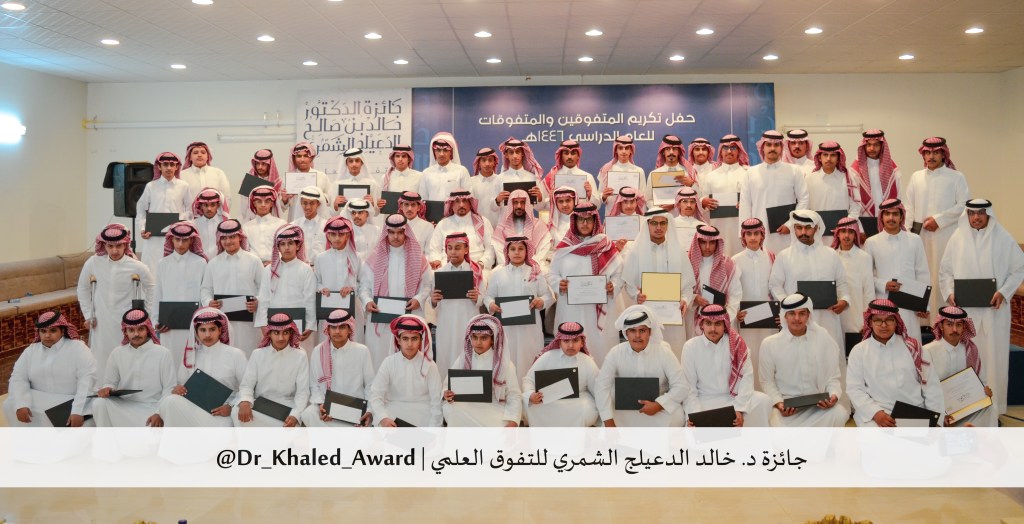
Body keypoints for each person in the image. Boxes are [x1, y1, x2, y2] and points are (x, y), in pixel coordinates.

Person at [939, 199, 1024, 414]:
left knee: (994, 362)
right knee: (967, 360)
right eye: (972, 213)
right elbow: (945, 272)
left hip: (994, 313)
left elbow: (1019, 269)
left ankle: (994, 412)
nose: (976, 217)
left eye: (981, 213)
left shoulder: (1003, 238)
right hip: (965, 315)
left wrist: (1003, 292)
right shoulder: (957, 238)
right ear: (967, 215)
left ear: (989, 215)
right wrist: (950, 293)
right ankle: (966, 411)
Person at [846, 299, 944, 427]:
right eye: (878, 320)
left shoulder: (914, 348)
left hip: (915, 411)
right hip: (878, 414)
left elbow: (931, 386)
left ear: (896, 321)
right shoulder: (859, 351)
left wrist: (936, 421)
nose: (884, 325)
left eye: (889, 320)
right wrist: (876, 413)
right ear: (870, 322)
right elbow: (854, 389)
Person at [547, 201, 623, 366]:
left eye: (589, 219)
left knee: (600, 345)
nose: (585, 223)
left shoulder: (606, 245)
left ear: (595, 221)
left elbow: (619, 273)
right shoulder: (564, 248)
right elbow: (551, 273)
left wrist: (613, 286)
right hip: (571, 308)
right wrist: (559, 284)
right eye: (581, 219)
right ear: (575, 221)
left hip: (599, 308)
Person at [758, 293, 849, 427]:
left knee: (839, 413)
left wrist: (833, 395)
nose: (797, 318)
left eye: (802, 313)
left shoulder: (823, 338)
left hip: (817, 406)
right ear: (784, 316)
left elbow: (832, 378)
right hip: (787, 407)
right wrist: (779, 403)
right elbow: (767, 381)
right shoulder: (770, 344)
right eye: (791, 313)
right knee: (773, 422)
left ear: (808, 315)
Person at [768, 210, 850, 355]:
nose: (803, 232)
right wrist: (789, 306)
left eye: (808, 228)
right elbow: (775, 285)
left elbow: (842, 283)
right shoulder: (784, 256)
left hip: (827, 317)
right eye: (799, 228)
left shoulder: (831, 255)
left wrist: (844, 300)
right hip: (797, 320)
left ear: (816, 228)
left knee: (828, 355)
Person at [77, 224, 154, 375]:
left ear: (125, 244)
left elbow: (152, 289)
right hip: (102, 320)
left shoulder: (137, 266)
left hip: (127, 322)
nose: (114, 251)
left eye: (118, 246)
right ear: (104, 245)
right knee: (101, 358)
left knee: (126, 358)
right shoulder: (93, 263)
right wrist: (88, 315)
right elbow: (83, 289)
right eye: (110, 246)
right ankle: (102, 386)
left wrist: (145, 315)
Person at [358, 214, 432, 370]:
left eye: (400, 232)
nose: (396, 236)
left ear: (406, 233)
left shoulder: (418, 257)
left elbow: (427, 285)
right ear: (386, 233)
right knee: (379, 359)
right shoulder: (374, 258)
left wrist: (419, 299)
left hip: (408, 316)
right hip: (380, 318)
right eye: (391, 232)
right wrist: (367, 301)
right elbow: (364, 286)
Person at [904, 137, 970, 313]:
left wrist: (939, 220)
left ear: (943, 154)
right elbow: (909, 206)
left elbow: (964, 205)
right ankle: (922, 319)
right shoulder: (916, 177)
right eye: (927, 152)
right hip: (919, 237)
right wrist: (907, 233)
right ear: (923, 155)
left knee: (942, 274)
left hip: (945, 235)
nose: (931, 156)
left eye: (936, 152)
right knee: (920, 274)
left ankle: (943, 317)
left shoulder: (956, 177)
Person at [595, 305, 688, 427]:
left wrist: (659, 405)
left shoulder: (663, 352)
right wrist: (608, 421)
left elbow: (681, 385)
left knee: (676, 417)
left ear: (650, 332)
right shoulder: (615, 353)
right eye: (632, 331)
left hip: (657, 407)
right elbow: (601, 386)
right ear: (626, 333)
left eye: (642, 330)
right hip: (623, 410)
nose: (637, 336)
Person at [680, 304, 771, 427]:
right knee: (694, 425)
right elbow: (689, 388)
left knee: (763, 401)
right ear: (702, 324)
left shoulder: (737, 344)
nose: (713, 329)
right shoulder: (691, 347)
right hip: (704, 401)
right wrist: (693, 415)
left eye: (718, 323)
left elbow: (747, 379)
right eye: (708, 323)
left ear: (725, 324)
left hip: (733, 398)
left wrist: (739, 409)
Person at [622, 209, 695, 357]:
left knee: (674, 354)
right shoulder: (635, 251)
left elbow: (688, 286)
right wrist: (636, 295)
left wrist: (685, 300)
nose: (659, 227)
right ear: (647, 225)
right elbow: (628, 283)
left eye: (663, 223)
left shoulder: (678, 251)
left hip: (673, 316)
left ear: (668, 225)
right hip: (646, 315)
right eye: (654, 223)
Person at [3, 311, 96, 427]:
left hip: (70, 401)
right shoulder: (31, 351)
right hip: (41, 400)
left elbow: (87, 380)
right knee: (10, 403)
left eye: (53, 331)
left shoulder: (78, 348)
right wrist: (22, 404)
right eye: (43, 331)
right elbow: (18, 377)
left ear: (62, 331)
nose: (47, 335)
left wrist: (78, 410)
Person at [158, 308, 246, 427]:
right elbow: (180, 384)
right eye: (203, 330)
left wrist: (231, 406)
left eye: (212, 329)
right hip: (193, 410)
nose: (207, 335)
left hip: (221, 414)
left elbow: (247, 387)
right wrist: (177, 390)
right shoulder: (190, 356)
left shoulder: (236, 355)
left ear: (220, 330)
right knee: (170, 401)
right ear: (196, 332)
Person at [484, 236, 555, 382]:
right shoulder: (498, 274)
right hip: (506, 328)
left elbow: (549, 295)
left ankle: (529, 390)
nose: (517, 252)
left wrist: (541, 301)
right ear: (507, 252)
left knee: (529, 359)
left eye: (521, 249)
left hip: (529, 329)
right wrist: (491, 304)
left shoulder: (535, 273)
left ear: (527, 251)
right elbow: (488, 296)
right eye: (513, 249)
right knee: (507, 360)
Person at [92, 308, 176, 427]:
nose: (136, 334)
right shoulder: (117, 353)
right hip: (124, 405)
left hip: (152, 406)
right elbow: (110, 382)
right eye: (131, 330)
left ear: (147, 329)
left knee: (150, 428)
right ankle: (105, 437)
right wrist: (107, 389)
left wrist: (159, 412)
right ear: (125, 331)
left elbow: (169, 389)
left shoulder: (163, 353)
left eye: (141, 329)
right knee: (99, 403)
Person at [863, 199, 930, 344]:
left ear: (901, 217)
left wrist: (924, 305)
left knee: (910, 343)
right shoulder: (871, 242)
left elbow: (922, 273)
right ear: (881, 217)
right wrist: (883, 284)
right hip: (883, 302)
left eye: (895, 214)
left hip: (910, 305)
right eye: (887, 214)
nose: (891, 218)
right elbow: (866, 277)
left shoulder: (915, 240)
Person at [442, 314, 522, 427]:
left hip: (494, 407)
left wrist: (513, 421)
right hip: (467, 406)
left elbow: (514, 395)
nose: (478, 342)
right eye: (474, 337)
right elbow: (447, 385)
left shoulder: (504, 364)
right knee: (452, 409)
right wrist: (446, 393)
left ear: (492, 340)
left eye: (484, 338)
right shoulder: (463, 359)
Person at [924, 306, 998, 427]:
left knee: (990, 409)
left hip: (965, 409)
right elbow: (926, 390)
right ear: (941, 326)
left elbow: (982, 381)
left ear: (964, 327)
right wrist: (941, 415)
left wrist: (985, 391)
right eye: (949, 324)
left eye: (959, 325)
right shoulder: (928, 351)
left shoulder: (970, 349)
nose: (954, 329)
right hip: (938, 408)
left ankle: (968, 434)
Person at [233, 313, 310, 427]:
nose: (281, 338)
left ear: (290, 333)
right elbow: (246, 385)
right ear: (269, 333)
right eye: (276, 333)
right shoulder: (258, 354)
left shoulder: (300, 355)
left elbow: (302, 392)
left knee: (291, 427)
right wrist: (245, 401)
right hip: (260, 404)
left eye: (285, 333)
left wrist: (295, 414)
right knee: (237, 411)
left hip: (287, 405)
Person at [199, 219, 263, 357]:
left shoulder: (254, 261)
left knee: (248, 355)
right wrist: (209, 302)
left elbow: (264, 288)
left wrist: (257, 301)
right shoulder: (213, 263)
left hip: (248, 324)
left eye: (232, 237)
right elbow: (206, 289)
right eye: (224, 238)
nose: (228, 241)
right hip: (222, 322)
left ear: (240, 237)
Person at [301, 309, 375, 427]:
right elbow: (314, 385)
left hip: (354, 406)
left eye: (342, 327)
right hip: (328, 406)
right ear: (328, 329)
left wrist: (369, 410)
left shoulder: (362, 351)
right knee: (308, 414)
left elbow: (370, 385)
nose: (337, 331)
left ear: (349, 329)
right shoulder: (318, 351)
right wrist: (321, 404)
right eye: (333, 327)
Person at [739, 130, 809, 254]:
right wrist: (744, 233)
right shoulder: (750, 173)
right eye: (769, 145)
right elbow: (745, 204)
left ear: (782, 147)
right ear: (762, 147)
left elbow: (804, 199)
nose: (772, 148)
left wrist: (791, 224)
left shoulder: (794, 171)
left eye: (776, 145)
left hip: (786, 233)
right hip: (758, 234)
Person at [522, 321, 601, 427]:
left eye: (575, 340)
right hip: (549, 400)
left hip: (578, 401)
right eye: (566, 341)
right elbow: (529, 380)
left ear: (582, 342)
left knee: (586, 409)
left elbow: (598, 388)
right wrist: (531, 394)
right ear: (559, 342)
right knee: (532, 407)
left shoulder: (587, 361)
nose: (571, 345)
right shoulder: (547, 357)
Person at [369, 315, 443, 427]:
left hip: (423, 413)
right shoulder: (389, 362)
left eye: (414, 339)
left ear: (421, 340)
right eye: (405, 339)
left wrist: (433, 429)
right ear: (398, 340)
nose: (409, 344)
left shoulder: (430, 365)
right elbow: (376, 395)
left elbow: (436, 401)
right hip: (393, 412)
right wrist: (383, 418)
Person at [731, 218, 778, 389]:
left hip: (769, 319)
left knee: (768, 357)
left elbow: (777, 287)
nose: (752, 238)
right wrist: (736, 312)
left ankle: (770, 394)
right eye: (749, 234)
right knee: (749, 357)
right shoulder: (735, 260)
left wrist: (780, 312)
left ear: (762, 235)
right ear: (743, 236)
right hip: (746, 319)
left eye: (756, 233)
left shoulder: (772, 257)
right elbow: (732, 291)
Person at [153, 221, 208, 366]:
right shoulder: (163, 263)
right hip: (168, 326)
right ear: (171, 239)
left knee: (193, 360)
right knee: (170, 361)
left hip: (194, 324)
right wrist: (156, 321)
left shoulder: (201, 263)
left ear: (191, 240)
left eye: (185, 240)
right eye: (177, 239)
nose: (180, 244)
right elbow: (158, 294)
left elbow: (204, 293)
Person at [431, 232, 486, 376]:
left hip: (467, 321)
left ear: (466, 249)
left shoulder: (475, 272)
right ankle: (446, 387)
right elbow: (432, 303)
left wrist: (477, 298)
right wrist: (433, 300)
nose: (453, 252)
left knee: (468, 356)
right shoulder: (439, 272)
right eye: (449, 248)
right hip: (446, 324)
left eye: (457, 248)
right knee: (446, 357)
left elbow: (484, 297)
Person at [255, 224, 316, 352]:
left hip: (300, 325)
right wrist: (263, 324)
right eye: (282, 244)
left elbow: (310, 300)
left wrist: (310, 325)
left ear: (298, 245)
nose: (287, 248)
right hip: (274, 326)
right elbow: (264, 299)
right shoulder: (269, 270)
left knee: (300, 356)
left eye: (290, 243)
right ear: (277, 247)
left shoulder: (306, 270)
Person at [136, 151, 192, 276]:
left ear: (177, 167)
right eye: (165, 164)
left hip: (176, 237)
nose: (169, 168)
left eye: (172, 164)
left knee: (174, 271)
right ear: (159, 167)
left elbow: (190, 211)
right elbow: (140, 209)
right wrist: (143, 228)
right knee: (152, 271)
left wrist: (179, 221)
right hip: (153, 237)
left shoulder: (184, 186)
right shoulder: (151, 186)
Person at [686, 225, 742, 339]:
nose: (707, 247)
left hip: (722, 321)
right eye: (703, 242)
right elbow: (680, 290)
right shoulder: (687, 263)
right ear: (697, 242)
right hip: (693, 318)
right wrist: (693, 298)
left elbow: (735, 294)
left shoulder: (728, 264)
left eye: (712, 243)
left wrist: (723, 318)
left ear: (717, 243)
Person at [314, 216, 364, 342]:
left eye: (341, 234)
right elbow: (316, 281)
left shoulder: (357, 257)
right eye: (333, 234)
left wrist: (352, 289)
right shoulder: (320, 258)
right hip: (327, 306)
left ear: (347, 235)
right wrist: (321, 288)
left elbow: (363, 282)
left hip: (352, 307)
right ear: (328, 236)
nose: (337, 238)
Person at [698, 135, 748, 257]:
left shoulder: (748, 173)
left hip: (741, 228)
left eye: (733, 148)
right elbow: (702, 199)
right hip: (718, 227)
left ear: (739, 151)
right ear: (721, 151)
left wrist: (746, 203)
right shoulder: (711, 176)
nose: (729, 151)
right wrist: (703, 201)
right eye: (725, 148)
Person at [805, 141, 862, 245]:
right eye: (825, 155)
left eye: (833, 155)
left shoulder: (848, 178)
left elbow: (855, 205)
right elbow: (805, 207)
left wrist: (846, 225)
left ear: (838, 158)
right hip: (817, 235)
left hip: (843, 236)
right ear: (819, 157)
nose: (828, 159)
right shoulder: (809, 179)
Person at [428, 189, 495, 274]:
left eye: (464, 201)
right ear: (451, 204)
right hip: (447, 267)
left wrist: (482, 263)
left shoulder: (483, 222)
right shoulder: (443, 224)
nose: (461, 205)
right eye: (457, 201)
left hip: (476, 266)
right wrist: (437, 261)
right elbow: (434, 249)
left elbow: (490, 248)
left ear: (470, 203)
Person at [832, 217, 876, 344]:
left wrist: (868, 320)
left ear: (855, 234)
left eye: (850, 232)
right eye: (843, 231)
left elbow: (868, 291)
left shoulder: (864, 257)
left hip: (856, 318)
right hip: (834, 315)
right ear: (837, 234)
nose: (846, 235)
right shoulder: (830, 255)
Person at [490, 189, 552, 270]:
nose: (519, 206)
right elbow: (499, 249)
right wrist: (511, 264)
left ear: (527, 204)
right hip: (508, 266)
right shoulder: (502, 226)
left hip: (533, 266)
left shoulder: (538, 225)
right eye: (515, 202)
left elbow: (544, 248)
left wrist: (531, 263)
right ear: (511, 205)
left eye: (522, 202)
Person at [850, 130, 901, 219]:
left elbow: (899, 196)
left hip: (887, 218)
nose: (872, 148)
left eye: (876, 145)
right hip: (863, 218)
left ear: (882, 146)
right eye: (869, 145)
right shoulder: (855, 170)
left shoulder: (893, 170)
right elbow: (852, 199)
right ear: (864, 146)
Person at [281, 141, 330, 222]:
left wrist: (319, 196)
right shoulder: (289, 179)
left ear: (311, 158)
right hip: (295, 219)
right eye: (299, 156)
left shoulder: (321, 176)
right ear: (294, 158)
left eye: (306, 156)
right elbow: (283, 207)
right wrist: (285, 199)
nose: (302, 159)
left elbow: (329, 199)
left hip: (317, 221)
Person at [498, 137, 548, 210]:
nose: (515, 156)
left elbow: (540, 208)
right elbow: (493, 208)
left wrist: (539, 197)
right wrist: (497, 200)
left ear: (522, 154)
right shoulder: (499, 179)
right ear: (506, 155)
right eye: (511, 152)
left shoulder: (532, 178)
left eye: (518, 152)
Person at [647, 134, 696, 209]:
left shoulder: (688, 172)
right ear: (663, 152)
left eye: (675, 149)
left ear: (679, 152)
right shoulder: (654, 174)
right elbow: (648, 200)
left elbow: (698, 198)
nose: (671, 152)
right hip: (661, 215)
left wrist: (691, 184)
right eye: (667, 149)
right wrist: (661, 209)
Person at [597, 135, 647, 208]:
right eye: (620, 148)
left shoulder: (639, 171)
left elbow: (643, 198)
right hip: (611, 213)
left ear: (631, 150)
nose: (624, 151)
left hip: (632, 213)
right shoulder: (606, 170)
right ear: (616, 150)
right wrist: (604, 196)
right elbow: (598, 198)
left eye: (627, 148)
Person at [420, 132, 471, 202]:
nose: (441, 154)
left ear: (451, 152)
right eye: (438, 150)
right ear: (434, 152)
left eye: (445, 150)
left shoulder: (461, 171)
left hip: (455, 209)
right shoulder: (426, 173)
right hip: (433, 209)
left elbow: (468, 197)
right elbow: (423, 199)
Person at [330, 147, 381, 218]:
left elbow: (376, 214)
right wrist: (335, 205)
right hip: (344, 223)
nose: (354, 164)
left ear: (362, 162)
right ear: (346, 163)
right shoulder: (336, 185)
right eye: (351, 161)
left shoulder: (372, 184)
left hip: (365, 224)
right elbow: (333, 214)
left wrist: (372, 204)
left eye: (357, 161)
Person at [241, 186, 286, 264]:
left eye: (267, 202)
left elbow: (285, 247)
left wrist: (274, 262)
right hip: (253, 266)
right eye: (259, 202)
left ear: (271, 203)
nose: (263, 205)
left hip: (277, 265)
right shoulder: (246, 227)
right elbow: (245, 250)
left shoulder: (281, 224)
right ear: (254, 203)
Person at [239, 149, 283, 221]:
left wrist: (284, 200)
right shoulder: (248, 181)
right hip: (251, 221)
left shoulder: (278, 182)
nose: (260, 167)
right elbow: (243, 208)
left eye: (263, 164)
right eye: (257, 164)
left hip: (272, 221)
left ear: (270, 165)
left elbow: (279, 208)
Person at [290, 186, 329, 262]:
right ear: (301, 203)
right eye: (305, 203)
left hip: (321, 267)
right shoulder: (293, 226)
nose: (308, 207)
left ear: (318, 204)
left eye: (312, 203)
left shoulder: (326, 226)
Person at [468, 146, 504, 226]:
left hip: (499, 227)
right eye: (484, 160)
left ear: (494, 162)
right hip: (478, 227)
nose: (487, 164)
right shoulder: (471, 181)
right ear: (479, 163)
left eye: (490, 160)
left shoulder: (501, 180)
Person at [378, 144, 423, 208]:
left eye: (403, 156)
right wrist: (379, 204)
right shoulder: (385, 178)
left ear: (409, 159)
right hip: (391, 214)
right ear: (393, 159)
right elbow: (380, 200)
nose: (400, 159)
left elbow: (422, 200)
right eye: (397, 156)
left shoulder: (419, 176)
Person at [191, 188, 230, 260]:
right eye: (206, 205)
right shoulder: (193, 225)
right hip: (199, 262)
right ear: (201, 206)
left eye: (212, 205)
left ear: (218, 205)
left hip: (221, 262)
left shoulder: (225, 224)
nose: (209, 208)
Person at [673, 187, 707, 255]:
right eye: (685, 201)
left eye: (692, 202)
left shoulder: (703, 226)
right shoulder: (670, 224)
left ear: (696, 204)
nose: (689, 205)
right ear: (678, 204)